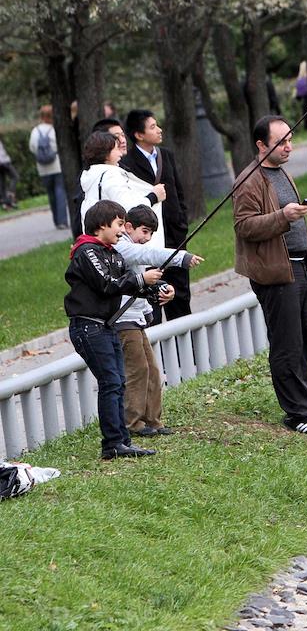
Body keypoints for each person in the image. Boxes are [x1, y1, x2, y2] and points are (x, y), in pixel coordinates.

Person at [233, 115, 307, 437]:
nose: (289, 147)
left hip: (298, 266)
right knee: (287, 346)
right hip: (275, 273)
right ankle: (298, 414)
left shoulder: (281, 172)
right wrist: (282, 216)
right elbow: (244, 226)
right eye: (281, 142)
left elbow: (295, 221)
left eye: (290, 140)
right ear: (261, 145)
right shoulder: (249, 180)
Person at [65, 199, 163, 459]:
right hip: (88, 327)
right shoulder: (87, 251)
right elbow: (107, 284)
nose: (122, 230)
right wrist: (141, 279)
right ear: (101, 225)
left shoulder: (111, 252)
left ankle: (122, 441)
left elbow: (127, 283)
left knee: (118, 382)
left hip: (107, 326)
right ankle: (112, 444)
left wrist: (156, 290)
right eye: (119, 224)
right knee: (110, 382)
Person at [114, 205, 203, 437]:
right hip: (123, 319)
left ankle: (153, 420)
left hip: (136, 318)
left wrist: (163, 289)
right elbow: (148, 255)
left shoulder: (132, 248)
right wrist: (181, 257)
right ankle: (132, 423)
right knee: (137, 370)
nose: (147, 238)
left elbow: (142, 282)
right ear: (128, 227)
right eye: (144, 231)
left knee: (152, 370)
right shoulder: (121, 247)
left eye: (151, 233)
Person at [121, 109, 191, 321]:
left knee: (180, 294)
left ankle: (186, 339)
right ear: (138, 134)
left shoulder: (166, 155)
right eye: (152, 127)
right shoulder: (127, 163)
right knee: (154, 295)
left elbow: (178, 192)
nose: (159, 130)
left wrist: (181, 223)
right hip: (147, 239)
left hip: (173, 234)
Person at [79, 131, 166, 247]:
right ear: (106, 153)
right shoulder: (110, 175)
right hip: (114, 242)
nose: (120, 152)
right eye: (116, 148)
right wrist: (153, 197)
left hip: (95, 239)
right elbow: (129, 207)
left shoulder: (91, 176)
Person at [29, 105, 69, 228]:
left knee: (50, 193)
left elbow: (32, 147)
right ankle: (62, 221)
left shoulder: (35, 131)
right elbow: (59, 145)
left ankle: (56, 220)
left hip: (43, 168)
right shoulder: (54, 130)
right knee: (60, 191)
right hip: (56, 165)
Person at [0, 139, 18, 210]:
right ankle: (11, 194)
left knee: (2, 183)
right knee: (15, 177)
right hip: (4, 162)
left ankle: (5, 203)